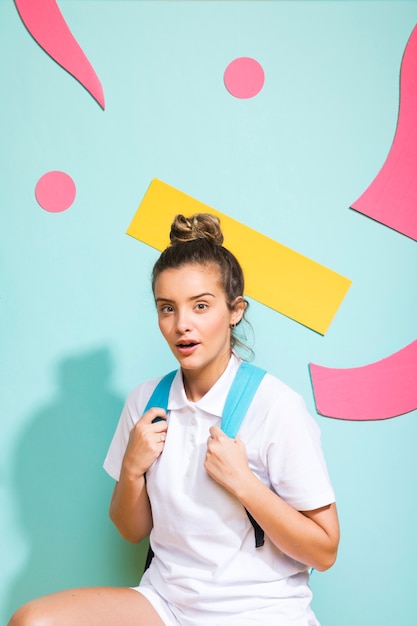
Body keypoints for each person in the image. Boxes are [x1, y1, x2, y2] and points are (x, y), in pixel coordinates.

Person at [8, 213, 339, 626]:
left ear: (235, 311)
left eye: (201, 306)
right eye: (168, 308)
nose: (182, 324)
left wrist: (244, 482)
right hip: (166, 604)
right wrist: (131, 468)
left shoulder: (275, 406)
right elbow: (131, 531)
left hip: (259, 611)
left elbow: (325, 550)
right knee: (33, 621)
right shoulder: (147, 401)